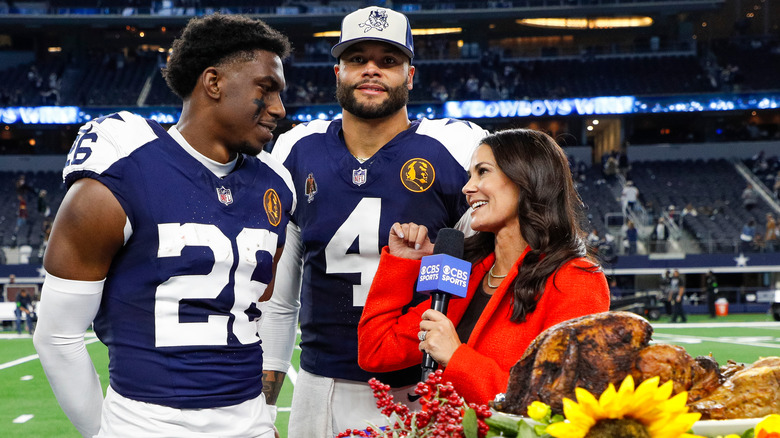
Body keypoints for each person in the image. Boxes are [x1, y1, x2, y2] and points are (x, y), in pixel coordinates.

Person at [32, 14, 294, 438]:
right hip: (147, 424)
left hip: (251, 423)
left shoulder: (276, 185)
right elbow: (57, 337)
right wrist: (104, 432)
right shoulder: (123, 170)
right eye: (266, 90)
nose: (280, 109)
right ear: (214, 83)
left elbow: (255, 304)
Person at [258, 7, 489, 436]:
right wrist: (266, 406)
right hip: (320, 381)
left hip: (422, 381)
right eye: (357, 59)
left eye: (388, 61)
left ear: (410, 74)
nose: (371, 70)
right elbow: (281, 297)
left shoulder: (459, 146)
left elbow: (491, 268)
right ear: (338, 71)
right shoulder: (295, 149)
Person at [357, 128, 610, 405]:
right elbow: (377, 350)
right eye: (469, 176)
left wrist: (457, 359)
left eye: (483, 172)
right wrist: (402, 264)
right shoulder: (469, 273)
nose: (467, 188)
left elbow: (558, 402)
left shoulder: (576, 281)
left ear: (525, 178)